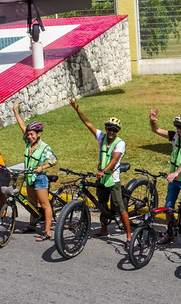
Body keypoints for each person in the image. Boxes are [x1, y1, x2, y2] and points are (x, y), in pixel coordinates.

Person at [69, 98, 132, 249]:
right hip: (101, 179)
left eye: (114, 130)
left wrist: (103, 171)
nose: (111, 132)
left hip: (112, 179)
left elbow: (115, 159)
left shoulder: (120, 143)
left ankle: (129, 236)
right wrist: (78, 111)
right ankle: (104, 229)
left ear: (117, 132)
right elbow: (88, 124)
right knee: (102, 204)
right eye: (109, 129)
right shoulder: (101, 137)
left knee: (120, 208)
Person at [148, 108, 181, 244]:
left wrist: (176, 172)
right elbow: (157, 130)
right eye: (179, 127)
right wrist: (152, 121)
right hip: (174, 180)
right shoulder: (175, 136)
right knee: (168, 207)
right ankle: (170, 233)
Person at [11, 102, 58, 241]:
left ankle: (47, 231)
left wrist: (42, 168)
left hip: (39, 178)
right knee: (32, 203)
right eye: (28, 135)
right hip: (29, 177)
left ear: (38, 134)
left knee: (44, 205)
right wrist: (15, 112)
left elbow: (54, 161)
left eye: (32, 135)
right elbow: (22, 126)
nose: (29, 137)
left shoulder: (44, 148)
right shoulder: (28, 143)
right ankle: (32, 225)